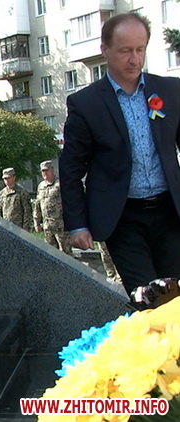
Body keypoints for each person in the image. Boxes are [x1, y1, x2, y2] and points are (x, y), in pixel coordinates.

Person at [60, 13, 180, 296]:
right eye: (126, 50)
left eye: (140, 50)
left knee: (175, 295)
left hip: (170, 212)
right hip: (122, 218)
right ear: (105, 50)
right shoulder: (86, 104)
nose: (134, 59)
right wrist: (78, 224)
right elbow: (71, 168)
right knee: (147, 298)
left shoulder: (171, 91)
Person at [33, 160, 71, 254]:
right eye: (43, 171)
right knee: (50, 254)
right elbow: (37, 205)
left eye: (47, 170)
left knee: (65, 254)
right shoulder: (41, 186)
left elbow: (70, 203)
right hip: (47, 227)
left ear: (52, 170)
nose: (45, 173)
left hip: (61, 226)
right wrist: (37, 222)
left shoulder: (61, 184)